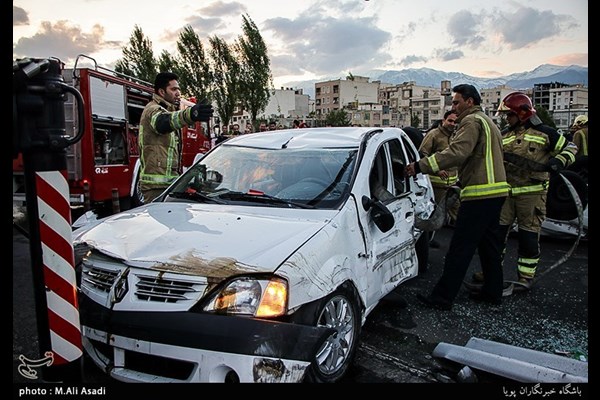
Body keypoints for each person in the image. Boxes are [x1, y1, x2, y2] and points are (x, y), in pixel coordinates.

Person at [405, 84, 509, 309]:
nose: (453, 107)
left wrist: (420, 166)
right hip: (496, 192)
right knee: (489, 247)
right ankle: (493, 292)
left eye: (456, 102)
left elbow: (457, 153)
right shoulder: (488, 122)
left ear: (469, 102)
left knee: (459, 248)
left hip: (480, 195)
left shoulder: (471, 121)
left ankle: (442, 298)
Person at [471, 92, 577, 291]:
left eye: (509, 115)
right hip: (506, 194)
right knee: (497, 236)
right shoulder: (504, 135)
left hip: (533, 194)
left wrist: (558, 161)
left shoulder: (546, 133)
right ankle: (491, 273)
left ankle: (525, 277)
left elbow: (571, 148)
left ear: (522, 113)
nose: (506, 119)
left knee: (528, 237)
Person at [139, 72, 213, 203]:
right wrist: (190, 114)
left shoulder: (168, 110)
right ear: (162, 92)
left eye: (178, 89)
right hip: (155, 188)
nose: (178, 93)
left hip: (167, 186)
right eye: (173, 89)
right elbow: (162, 122)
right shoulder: (153, 109)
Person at [419, 110, 460, 229]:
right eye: (450, 121)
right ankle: (429, 242)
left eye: (455, 122)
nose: (452, 124)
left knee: (458, 214)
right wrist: (437, 171)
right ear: (443, 121)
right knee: (432, 215)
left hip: (452, 186)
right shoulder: (434, 135)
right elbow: (422, 155)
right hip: (436, 186)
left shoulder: (455, 136)